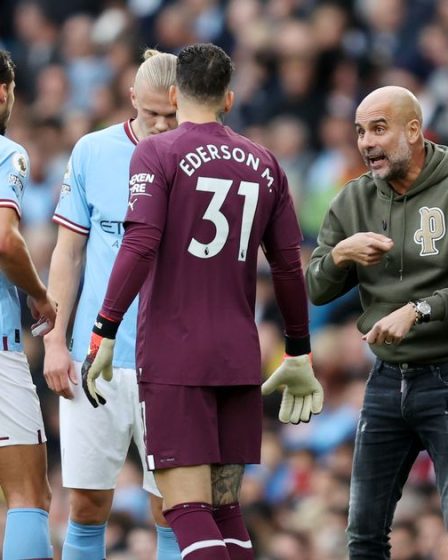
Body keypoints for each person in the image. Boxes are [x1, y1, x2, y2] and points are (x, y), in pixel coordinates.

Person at [81, 43, 323, 560]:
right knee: (225, 512)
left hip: (176, 355)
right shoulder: (266, 163)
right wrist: (299, 351)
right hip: (239, 356)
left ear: (175, 93)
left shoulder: (157, 151)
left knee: (186, 511)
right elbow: (286, 265)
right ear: (229, 98)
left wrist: (103, 328)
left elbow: (140, 244)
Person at [43, 49, 181, 560]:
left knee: (173, 506)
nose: (163, 125)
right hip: (94, 356)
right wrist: (56, 339)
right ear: (131, 100)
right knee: (85, 504)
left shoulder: (198, 162)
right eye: (152, 115)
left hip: (170, 361)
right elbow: (69, 251)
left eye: (173, 114)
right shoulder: (93, 152)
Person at [306, 85, 448, 559]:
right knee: (363, 534)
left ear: (414, 129)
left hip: (445, 372)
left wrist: (420, 309)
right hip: (387, 381)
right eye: (361, 131)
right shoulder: (353, 200)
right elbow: (317, 288)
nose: (366, 142)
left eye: (379, 129)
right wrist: (341, 256)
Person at [0, 49, 57, 560]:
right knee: (28, 496)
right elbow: (5, 239)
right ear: (3, 93)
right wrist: (39, 296)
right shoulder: (7, 152)